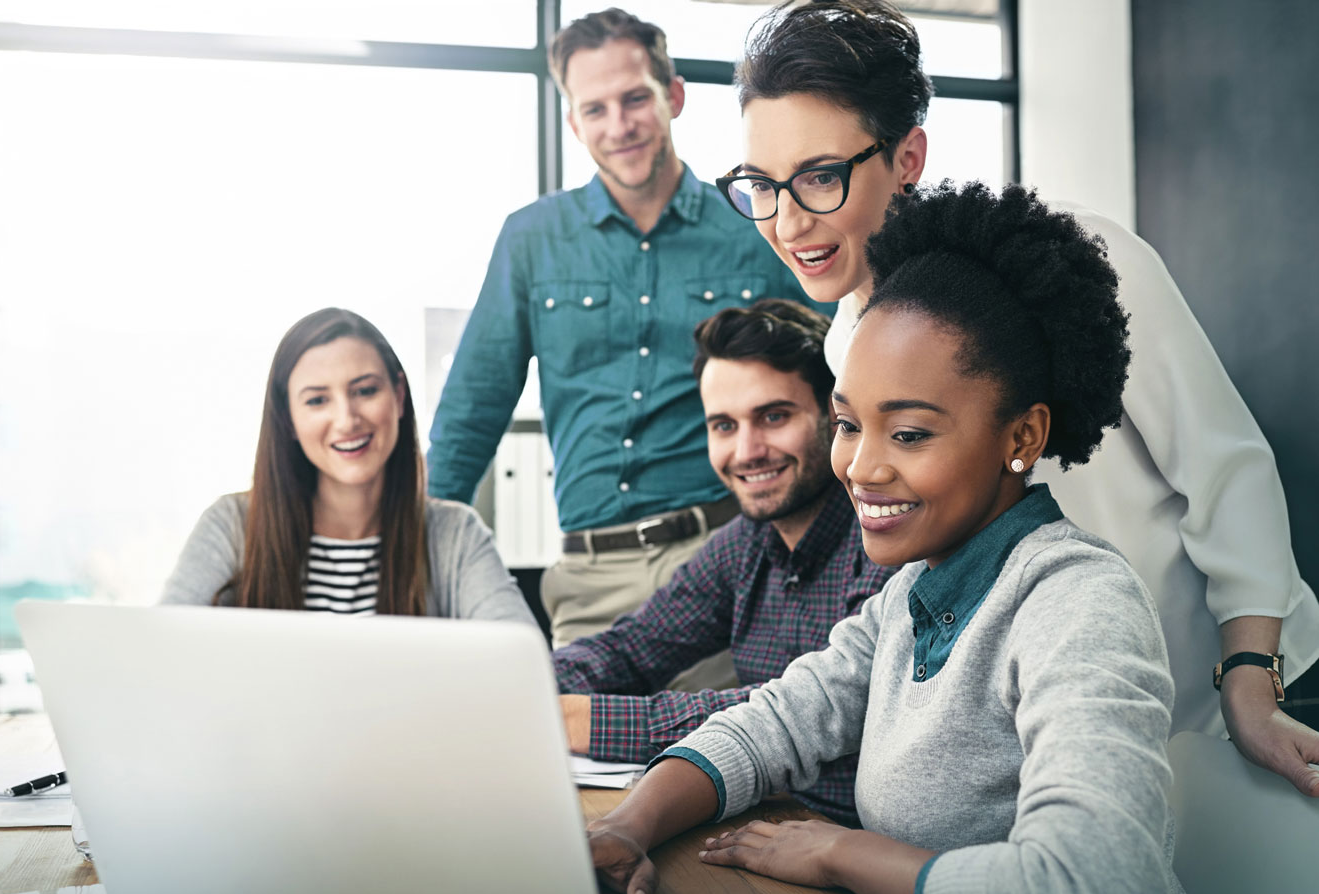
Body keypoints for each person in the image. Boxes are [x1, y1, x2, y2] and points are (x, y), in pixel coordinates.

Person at [589, 183, 1202, 894]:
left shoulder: (1078, 601)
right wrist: (629, 825)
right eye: (849, 423)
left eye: (908, 433)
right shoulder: (911, 592)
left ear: (1022, 436)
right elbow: (775, 719)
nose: (861, 467)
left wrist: (841, 854)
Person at [716, 0, 1319, 794]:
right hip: (1075, 732)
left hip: (1236, 699)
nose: (789, 220)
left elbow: (1227, 473)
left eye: (821, 177)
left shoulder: (1081, 262)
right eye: (763, 183)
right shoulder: (846, 344)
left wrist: (1248, 682)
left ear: (907, 159)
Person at [426, 8, 809, 661]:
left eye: (635, 99)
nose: (619, 125)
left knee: (707, 757)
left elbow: (828, 380)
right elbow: (469, 417)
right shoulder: (531, 240)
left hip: (727, 562)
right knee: (572, 757)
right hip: (587, 580)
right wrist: (418, 568)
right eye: (594, 109)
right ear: (573, 123)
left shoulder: (755, 225)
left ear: (675, 96)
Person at [556, 298, 892, 824]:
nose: (747, 451)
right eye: (724, 426)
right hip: (762, 824)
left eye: (774, 416)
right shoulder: (745, 542)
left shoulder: (883, 533)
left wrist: (581, 718)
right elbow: (631, 649)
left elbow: (798, 709)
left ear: (836, 415)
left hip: (853, 841)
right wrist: (528, 691)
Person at [162, 307, 536, 626]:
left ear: (399, 396)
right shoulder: (230, 526)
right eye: (317, 400)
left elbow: (526, 671)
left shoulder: (455, 535)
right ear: (288, 419)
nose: (346, 419)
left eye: (365, 391)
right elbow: (160, 657)